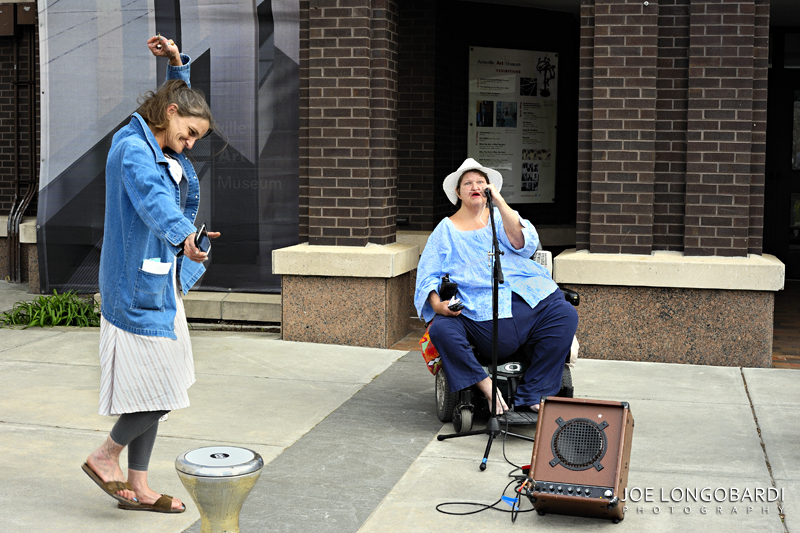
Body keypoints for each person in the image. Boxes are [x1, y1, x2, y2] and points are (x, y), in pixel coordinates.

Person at [81, 35, 219, 513]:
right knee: (160, 389)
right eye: (191, 133)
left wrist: (178, 64)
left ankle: (138, 485)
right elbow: (152, 198)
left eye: (196, 137)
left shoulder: (158, 137)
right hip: (133, 290)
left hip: (160, 286)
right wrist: (183, 234)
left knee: (162, 386)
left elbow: (178, 101)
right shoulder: (132, 151)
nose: (192, 143)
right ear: (171, 114)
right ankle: (106, 455)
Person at [415, 158, 578, 417]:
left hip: (522, 300)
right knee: (442, 329)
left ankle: (533, 393)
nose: (475, 186)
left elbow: (524, 245)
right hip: (476, 312)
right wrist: (437, 304)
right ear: (458, 192)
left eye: (480, 182)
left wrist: (500, 202)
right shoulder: (445, 230)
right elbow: (427, 275)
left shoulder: (501, 218)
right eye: (468, 183)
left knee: (565, 314)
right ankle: (486, 387)